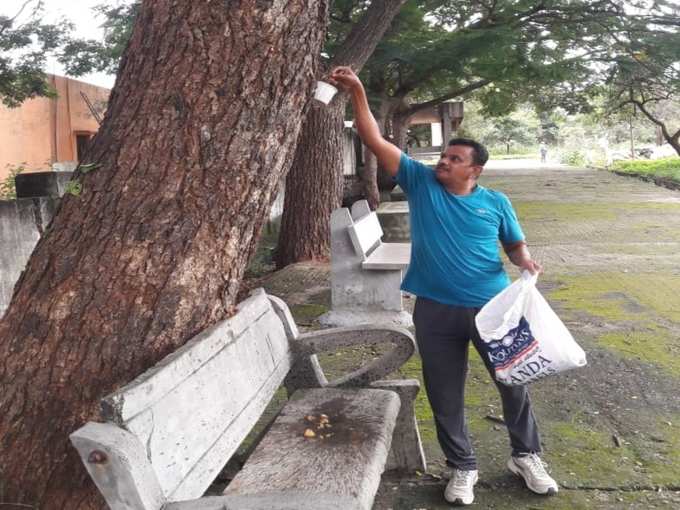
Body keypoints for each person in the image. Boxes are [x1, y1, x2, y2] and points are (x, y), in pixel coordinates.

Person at [329, 66, 559, 506]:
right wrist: (358, 89)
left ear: (475, 170)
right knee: (445, 391)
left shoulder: (496, 202)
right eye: (444, 155)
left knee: (513, 382)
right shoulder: (421, 184)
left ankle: (525, 455)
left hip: (494, 308)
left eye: (454, 159)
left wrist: (524, 259)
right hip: (435, 310)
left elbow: (513, 243)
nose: (443, 161)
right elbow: (373, 139)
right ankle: (462, 466)